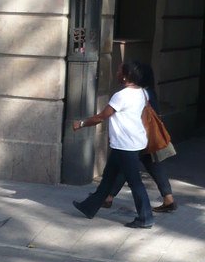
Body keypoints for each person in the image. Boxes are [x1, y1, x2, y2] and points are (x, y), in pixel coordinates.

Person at [71, 60, 154, 229]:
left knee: (135, 182)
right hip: (129, 144)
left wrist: (81, 124)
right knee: (108, 178)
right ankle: (89, 207)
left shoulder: (121, 96)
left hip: (126, 145)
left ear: (125, 76)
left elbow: (102, 116)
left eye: (119, 70)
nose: (116, 72)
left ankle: (145, 217)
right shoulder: (143, 93)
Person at [100, 62, 176, 213]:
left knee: (127, 169)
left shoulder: (142, 93)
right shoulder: (148, 92)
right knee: (152, 167)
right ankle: (168, 199)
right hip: (145, 137)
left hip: (139, 137)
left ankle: (109, 197)